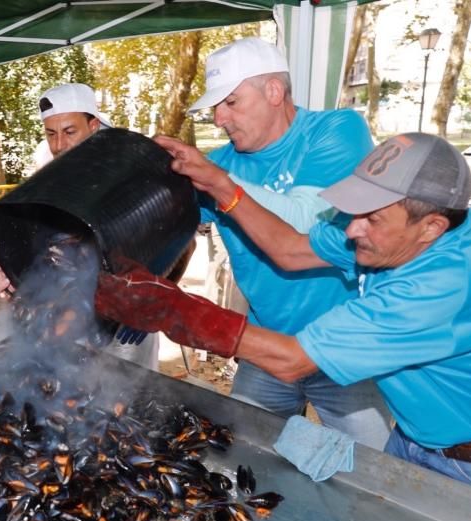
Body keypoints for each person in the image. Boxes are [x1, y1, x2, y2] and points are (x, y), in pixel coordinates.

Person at [95, 132, 471, 497]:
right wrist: (223, 187)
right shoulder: (412, 229)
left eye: (372, 219)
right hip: (413, 435)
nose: (351, 230)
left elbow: (293, 361)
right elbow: (292, 250)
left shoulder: (445, 282)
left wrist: (169, 308)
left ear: (431, 227)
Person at [154, 37, 392, 449]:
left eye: (230, 102)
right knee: (243, 452)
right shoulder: (221, 164)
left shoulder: (336, 129)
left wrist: (218, 182)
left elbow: (304, 223)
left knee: (373, 470)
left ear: (274, 91)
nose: (218, 118)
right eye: (215, 106)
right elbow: (163, 227)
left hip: (343, 343)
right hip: (267, 342)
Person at [0, 83, 193, 371]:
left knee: (127, 398)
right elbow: (27, 241)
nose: (59, 145)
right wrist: (4, 268)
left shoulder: (129, 169)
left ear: (93, 126)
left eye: (70, 132)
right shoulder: (49, 172)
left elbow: (185, 242)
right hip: (70, 320)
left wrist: (159, 295)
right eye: (51, 134)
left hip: (126, 320)